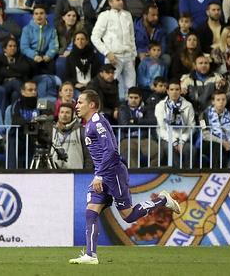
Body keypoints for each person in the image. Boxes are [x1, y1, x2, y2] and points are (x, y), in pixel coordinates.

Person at [69, 89, 180, 265]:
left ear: (92, 105)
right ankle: (91, 256)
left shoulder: (97, 121)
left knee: (128, 216)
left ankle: (162, 200)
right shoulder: (88, 124)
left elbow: (112, 150)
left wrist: (99, 175)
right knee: (91, 212)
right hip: (102, 175)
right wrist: (98, 174)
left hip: (113, 174)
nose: (77, 105)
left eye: (80, 102)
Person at [91, 0, 136, 100]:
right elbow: (94, 37)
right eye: (118, 0)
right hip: (114, 56)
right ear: (110, 3)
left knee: (131, 87)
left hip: (128, 56)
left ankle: (130, 112)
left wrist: (134, 55)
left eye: (121, 0)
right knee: (111, 87)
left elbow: (132, 36)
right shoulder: (105, 16)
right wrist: (107, 53)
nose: (121, 2)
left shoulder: (127, 15)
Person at [154, 79, 196, 168]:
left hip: (183, 138)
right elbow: (161, 128)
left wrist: (182, 141)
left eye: (177, 89)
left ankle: (188, 174)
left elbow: (191, 126)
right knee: (169, 149)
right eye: (172, 90)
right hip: (166, 138)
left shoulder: (188, 105)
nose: (174, 92)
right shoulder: (160, 105)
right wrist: (174, 142)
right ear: (167, 91)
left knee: (190, 149)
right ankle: (176, 175)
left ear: (180, 91)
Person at [51, 103, 90, 169]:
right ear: (58, 114)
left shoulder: (81, 131)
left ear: (73, 115)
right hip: (54, 173)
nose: (64, 115)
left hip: (76, 174)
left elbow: (88, 155)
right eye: (62, 112)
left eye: (67, 112)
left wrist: (86, 172)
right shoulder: (51, 130)